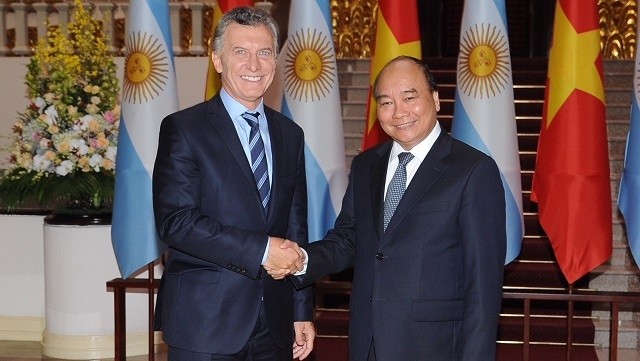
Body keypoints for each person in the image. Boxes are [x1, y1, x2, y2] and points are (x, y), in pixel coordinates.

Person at [271, 55, 506, 360]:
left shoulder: (473, 170)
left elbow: (483, 287)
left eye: (410, 97)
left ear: (435, 99)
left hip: (434, 347)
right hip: (368, 342)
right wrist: (301, 259)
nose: (399, 112)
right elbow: (349, 239)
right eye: (386, 102)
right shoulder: (367, 164)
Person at [152, 6, 314, 361]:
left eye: (264, 52)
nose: (254, 65)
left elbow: (295, 226)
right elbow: (176, 222)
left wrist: (301, 308)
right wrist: (262, 251)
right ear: (218, 60)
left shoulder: (291, 134)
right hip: (205, 322)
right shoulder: (184, 129)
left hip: (275, 322)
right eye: (240, 52)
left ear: (275, 61)